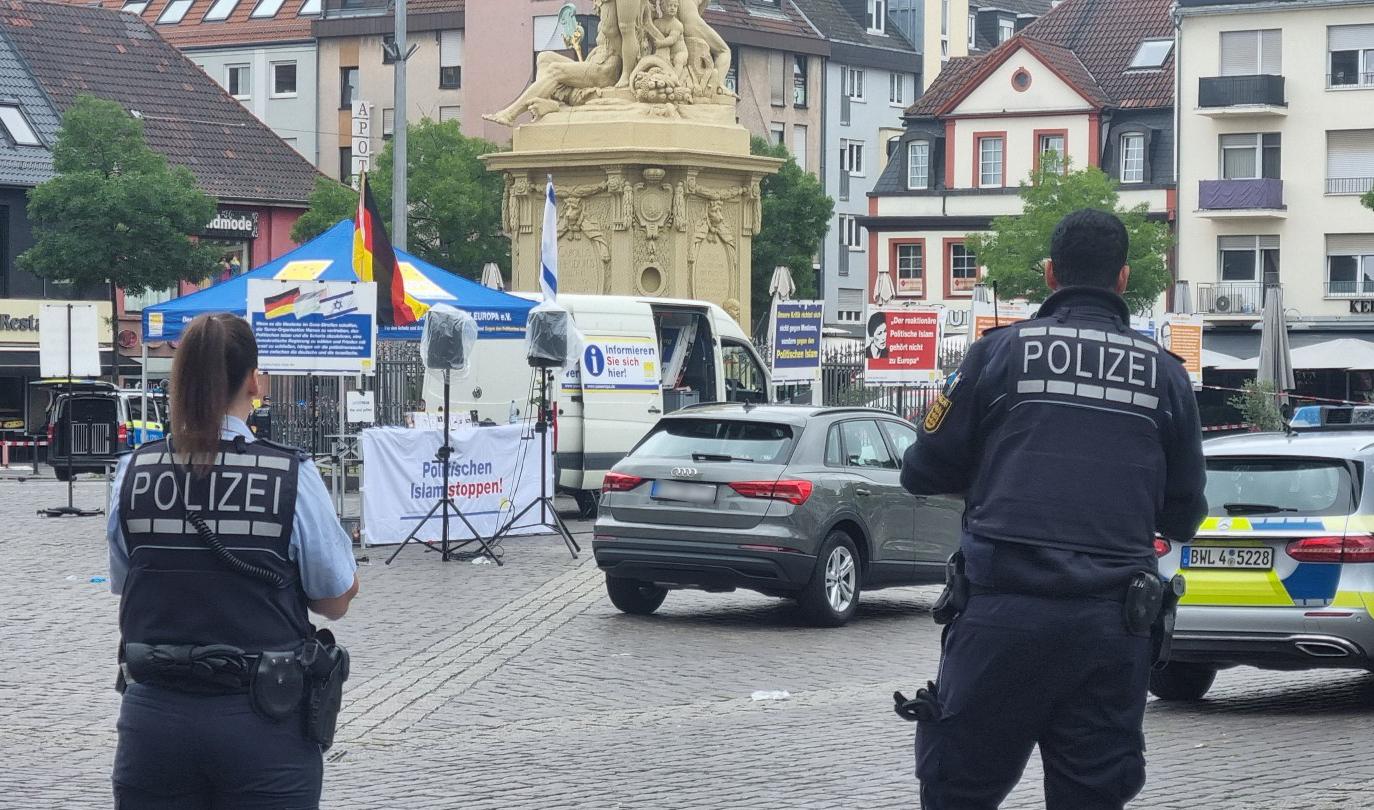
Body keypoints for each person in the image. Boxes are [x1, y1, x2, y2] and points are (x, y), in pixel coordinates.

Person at [900, 210, 1207, 810]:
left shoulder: (996, 356)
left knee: (958, 790)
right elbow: (1183, 517)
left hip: (1000, 619)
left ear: (1048, 274)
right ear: (1122, 278)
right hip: (1110, 628)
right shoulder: (1167, 378)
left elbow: (922, 469)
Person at [107, 313, 360, 809]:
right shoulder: (292, 475)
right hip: (264, 723)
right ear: (254, 380)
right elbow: (334, 601)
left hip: (153, 721)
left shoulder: (132, 472)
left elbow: (126, 581)